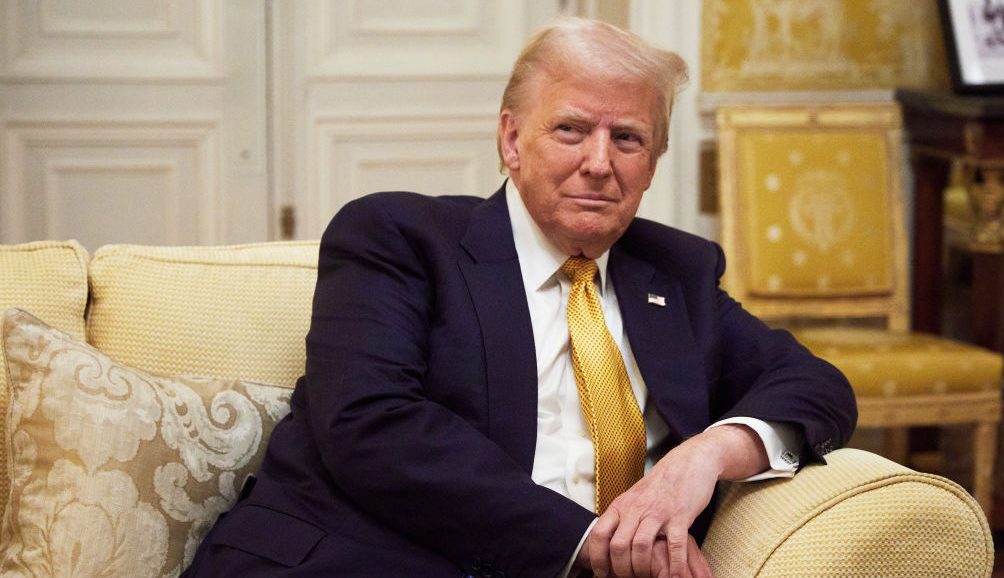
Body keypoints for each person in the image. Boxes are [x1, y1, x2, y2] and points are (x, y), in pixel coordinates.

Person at [184, 17, 855, 578]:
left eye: (628, 139)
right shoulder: (400, 238)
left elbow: (815, 385)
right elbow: (371, 425)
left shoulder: (674, 273)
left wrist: (705, 456)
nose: (599, 162)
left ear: (652, 164)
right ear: (511, 139)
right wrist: (595, 543)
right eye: (571, 129)